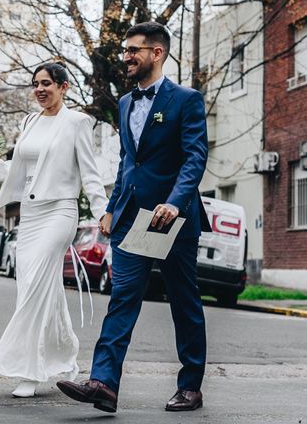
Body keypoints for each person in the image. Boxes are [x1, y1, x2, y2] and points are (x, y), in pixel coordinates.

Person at [57, 21, 211, 413]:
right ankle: (103, 384)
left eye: (133, 50)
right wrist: (111, 208)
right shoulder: (125, 103)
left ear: (156, 53)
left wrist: (175, 202)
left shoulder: (186, 99)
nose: (126, 56)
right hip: (131, 220)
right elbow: (130, 161)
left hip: (172, 220)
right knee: (123, 298)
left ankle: (190, 386)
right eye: (125, 50)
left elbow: (195, 157)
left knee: (183, 300)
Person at [0, 62, 108, 398]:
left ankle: (27, 372)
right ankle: (59, 353)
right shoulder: (29, 121)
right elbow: (19, 169)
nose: (40, 89)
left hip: (60, 212)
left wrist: (104, 212)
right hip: (30, 217)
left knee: (34, 291)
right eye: (35, 84)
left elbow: (90, 173)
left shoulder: (77, 123)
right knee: (32, 286)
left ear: (64, 87)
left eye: (46, 83)